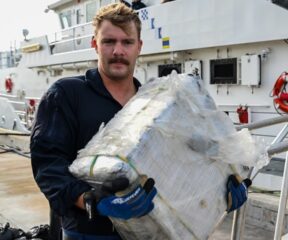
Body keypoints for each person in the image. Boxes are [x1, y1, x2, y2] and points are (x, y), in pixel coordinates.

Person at [30, 3, 250, 240]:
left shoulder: (157, 104)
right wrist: (90, 201)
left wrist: (224, 185)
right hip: (90, 234)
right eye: (109, 41)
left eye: (127, 42)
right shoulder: (66, 94)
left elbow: (187, 158)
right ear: (95, 44)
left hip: (152, 233)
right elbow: (47, 164)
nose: (118, 50)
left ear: (139, 47)